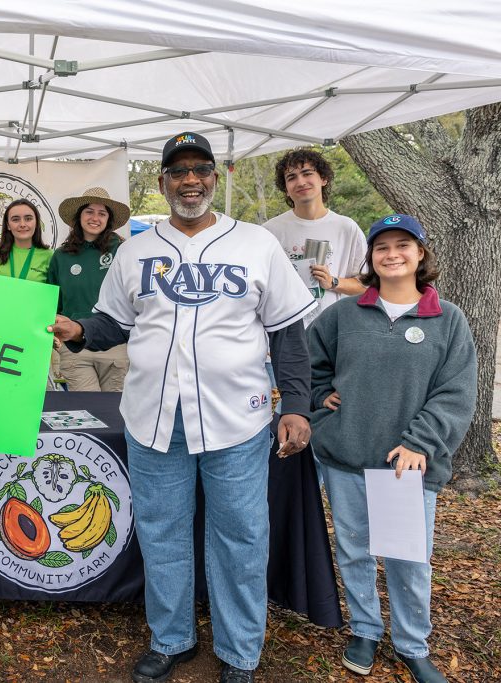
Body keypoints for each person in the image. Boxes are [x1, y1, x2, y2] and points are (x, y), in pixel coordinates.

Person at [50, 131, 316, 683]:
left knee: (241, 536)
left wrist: (296, 405)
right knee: (162, 532)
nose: (189, 179)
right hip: (153, 417)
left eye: (200, 169)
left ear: (214, 178)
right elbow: (112, 324)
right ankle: (171, 638)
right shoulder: (135, 249)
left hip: (236, 417)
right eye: (178, 171)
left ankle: (239, 651)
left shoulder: (255, 244)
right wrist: (78, 331)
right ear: (164, 180)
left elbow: (289, 333)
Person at [308, 214, 475, 683]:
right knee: (355, 549)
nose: (393, 254)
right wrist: (321, 398)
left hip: (406, 465)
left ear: (421, 254)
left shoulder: (448, 318)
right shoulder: (343, 314)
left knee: (406, 556)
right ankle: (364, 628)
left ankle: (411, 642)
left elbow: (456, 391)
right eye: (382, 247)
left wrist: (420, 442)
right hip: (347, 455)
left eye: (404, 245)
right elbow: (308, 362)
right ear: (372, 258)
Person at [264, 148, 367, 327]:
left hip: (332, 330)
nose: (301, 182)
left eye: (307, 173)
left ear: (323, 179)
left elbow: (365, 286)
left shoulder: (346, 227)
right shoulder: (270, 231)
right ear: (286, 189)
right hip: (285, 331)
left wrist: (333, 282)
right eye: (292, 177)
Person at [47, 187, 129, 391]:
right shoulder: (61, 255)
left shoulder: (122, 250)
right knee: (88, 413)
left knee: (114, 414)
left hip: (116, 347)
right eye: (89, 211)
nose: (95, 218)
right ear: (79, 216)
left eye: (102, 213)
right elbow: (53, 303)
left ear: (108, 220)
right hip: (76, 347)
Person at [0, 198, 53, 283]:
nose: (22, 224)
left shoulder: (49, 256)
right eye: (16, 219)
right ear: (8, 225)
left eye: (28, 219)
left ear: (36, 223)